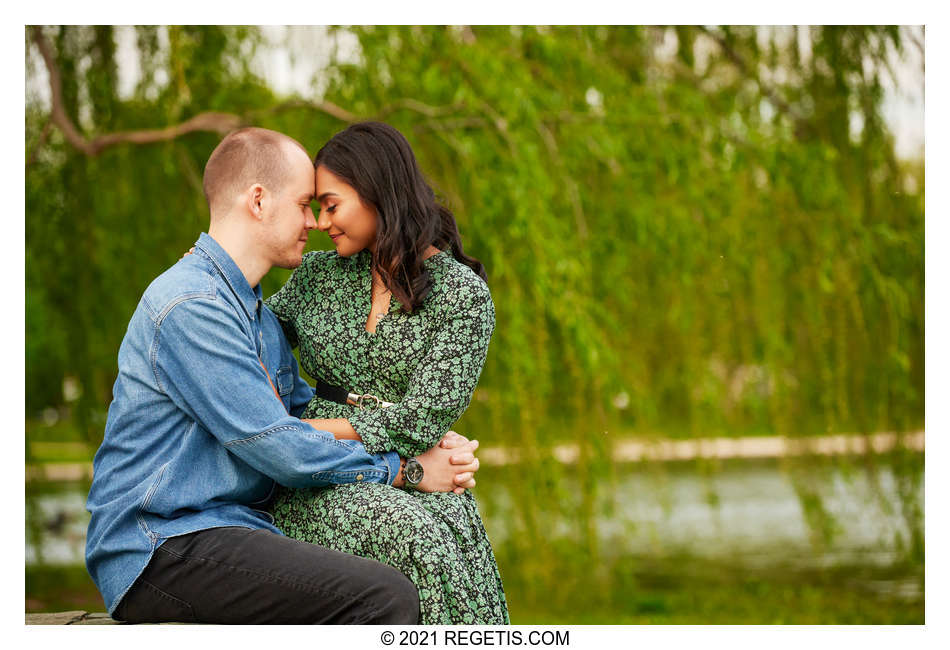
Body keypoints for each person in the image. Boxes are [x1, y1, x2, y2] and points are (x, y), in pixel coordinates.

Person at [84, 127, 482, 624]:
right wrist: (406, 468)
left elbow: (296, 415)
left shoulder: (253, 314)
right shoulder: (193, 307)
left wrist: (422, 434)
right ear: (258, 201)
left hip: (229, 527)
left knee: (400, 563)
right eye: (303, 204)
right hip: (160, 543)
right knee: (382, 598)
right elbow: (283, 447)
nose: (314, 223)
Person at [265, 121, 509, 624]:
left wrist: (298, 431)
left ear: (378, 192)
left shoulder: (462, 297)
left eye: (332, 205)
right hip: (319, 475)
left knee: (441, 548)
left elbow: (418, 424)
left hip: (420, 474)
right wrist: (211, 278)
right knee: (413, 539)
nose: (322, 222)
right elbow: (247, 340)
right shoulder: (317, 275)